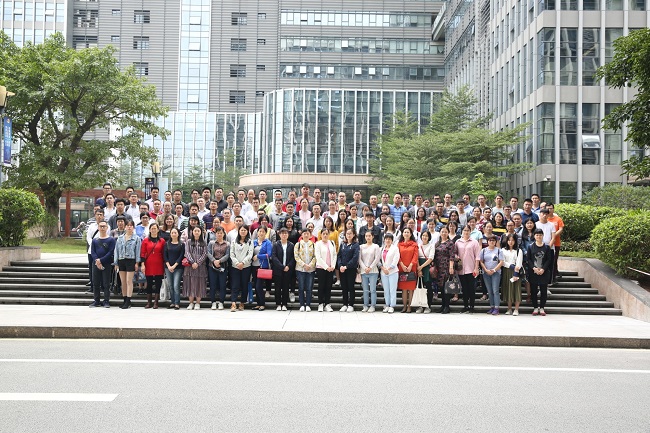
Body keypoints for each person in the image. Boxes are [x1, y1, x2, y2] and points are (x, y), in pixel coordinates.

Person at [113, 220, 141, 309]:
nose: (129, 227)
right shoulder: (120, 238)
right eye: (127, 225)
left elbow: (138, 251)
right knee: (123, 282)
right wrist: (116, 262)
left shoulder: (136, 238)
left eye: (131, 225)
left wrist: (137, 263)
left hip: (131, 260)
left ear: (133, 227)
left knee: (129, 281)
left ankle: (128, 300)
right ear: (125, 227)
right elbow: (116, 250)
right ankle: (124, 299)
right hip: (121, 260)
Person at [526, 228, 553, 316]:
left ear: (543, 236)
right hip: (533, 272)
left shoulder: (547, 247)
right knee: (533, 291)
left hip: (544, 272)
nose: (539, 236)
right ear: (534, 236)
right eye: (537, 235)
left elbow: (549, 260)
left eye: (540, 235)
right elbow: (528, 259)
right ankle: (535, 307)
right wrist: (534, 268)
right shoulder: (530, 247)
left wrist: (543, 269)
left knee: (543, 291)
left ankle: (542, 308)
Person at [89, 221, 116, 308]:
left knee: (106, 283)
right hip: (96, 264)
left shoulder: (111, 240)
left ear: (107, 228)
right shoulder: (95, 240)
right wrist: (97, 261)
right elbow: (93, 252)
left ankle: (106, 300)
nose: (102, 228)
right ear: (98, 228)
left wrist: (101, 260)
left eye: (104, 226)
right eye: (101, 226)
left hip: (107, 263)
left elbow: (110, 252)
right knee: (96, 282)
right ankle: (96, 300)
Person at [140, 223, 166, 309]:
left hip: (159, 264)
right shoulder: (145, 240)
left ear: (158, 230)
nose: (154, 230)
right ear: (150, 230)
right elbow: (143, 253)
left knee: (158, 283)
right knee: (149, 283)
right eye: (152, 228)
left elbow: (164, 253)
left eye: (155, 228)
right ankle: (149, 302)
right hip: (148, 263)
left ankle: (156, 302)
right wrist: (142, 264)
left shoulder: (162, 241)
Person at [229, 225, 254, 312]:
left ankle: (242, 303)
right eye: (241, 230)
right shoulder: (233, 242)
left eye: (245, 230)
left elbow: (250, 254)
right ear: (239, 231)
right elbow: (231, 254)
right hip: (235, 267)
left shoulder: (250, 242)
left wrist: (243, 263)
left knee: (244, 285)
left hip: (246, 267)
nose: (243, 232)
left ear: (247, 232)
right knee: (235, 285)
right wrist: (237, 263)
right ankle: (233, 303)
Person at [433, 226, 457, 314]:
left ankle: (447, 306)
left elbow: (452, 256)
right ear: (440, 233)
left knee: (446, 287)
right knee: (441, 287)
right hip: (438, 267)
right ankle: (443, 305)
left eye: (445, 232)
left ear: (448, 233)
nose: (444, 233)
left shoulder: (450, 243)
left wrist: (451, 267)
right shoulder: (437, 243)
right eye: (442, 232)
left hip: (446, 267)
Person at [183, 226, 208, 310]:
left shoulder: (204, 242)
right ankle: (191, 303)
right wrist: (192, 262)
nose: (196, 232)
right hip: (190, 267)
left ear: (201, 232)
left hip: (200, 267)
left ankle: (197, 303)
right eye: (195, 231)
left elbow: (205, 254)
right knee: (190, 284)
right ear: (192, 232)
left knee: (199, 284)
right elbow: (187, 252)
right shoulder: (188, 242)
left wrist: (198, 263)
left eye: (198, 231)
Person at [272, 228, 295, 311]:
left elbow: (293, 257)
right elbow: (274, 257)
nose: (284, 235)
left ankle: (284, 304)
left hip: (288, 270)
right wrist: (282, 266)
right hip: (278, 270)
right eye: (282, 233)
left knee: (286, 288)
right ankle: (278, 304)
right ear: (279, 235)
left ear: (288, 235)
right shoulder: (276, 244)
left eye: (286, 233)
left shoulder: (291, 245)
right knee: (277, 288)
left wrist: (288, 266)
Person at [480, 235, 504, 315]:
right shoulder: (483, 250)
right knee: (489, 291)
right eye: (490, 240)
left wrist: (494, 270)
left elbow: (501, 262)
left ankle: (497, 308)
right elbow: (481, 261)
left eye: (493, 240)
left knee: (495, 290)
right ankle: (492, 306)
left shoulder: (499, 251)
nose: (491, 242)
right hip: (486, 272)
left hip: (496, 273)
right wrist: (485, 270)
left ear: (496, 242)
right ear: (487, 242)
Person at [207, 226, 230, 311]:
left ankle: (221, 302)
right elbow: (208, 252)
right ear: (215, 234)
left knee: (222, 285)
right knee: (212, 285)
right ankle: (213, 302)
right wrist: (214, 261)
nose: (219, 234)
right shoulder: (211, 243)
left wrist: (219, 261)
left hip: (223, 266)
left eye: (221, 233)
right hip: (212, 266)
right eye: (218, 233)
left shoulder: (227, 244)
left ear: (224, 234)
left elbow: (227, 255)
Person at [337, 228, 360, 312]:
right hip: (342, 269)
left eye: (350, 233)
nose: (348, 235)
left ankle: (351, 304)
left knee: (351, 286)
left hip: (351, 269)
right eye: (347, 233)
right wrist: (340, 266)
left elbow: (355, 257)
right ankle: (345, 304)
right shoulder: (343, 244)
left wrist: (346, 266)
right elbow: (339, 256)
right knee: (344, 287)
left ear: (353, 235)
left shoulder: (356, 245)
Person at [315, 227, 337, 312]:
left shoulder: (331, 243)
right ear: (321, 235)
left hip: (331, 269)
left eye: (326, 234)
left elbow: (334, 255)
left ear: (329, 234)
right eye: (323, 234)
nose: (325, 235)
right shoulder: (318, 244)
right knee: (321, 286)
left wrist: (333, 266)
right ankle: (320, 303)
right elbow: (318, 257)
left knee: (328, 286)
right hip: (321, 268)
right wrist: (326, 267)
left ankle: (327, 304)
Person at [397, 227, 419, 313]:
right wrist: (402, 265)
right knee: (404, 289)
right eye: (405, 232)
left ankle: (410, 307)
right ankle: (404, 306)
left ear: (411, 234)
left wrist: (410, 265)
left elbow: (415, 256)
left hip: (411, 268)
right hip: (402, 268)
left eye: (408, 232)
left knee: (411, 289)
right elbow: (397, 256)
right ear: (402, 234)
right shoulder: (399, 245)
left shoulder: (414, 244)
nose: (406, 234)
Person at [294, 228, 316, 312]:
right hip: (300, 269)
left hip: (311, 269)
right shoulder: (298, 244)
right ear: (302, 235)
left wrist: (310, 265)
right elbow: (296, 256)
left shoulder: (313, 244)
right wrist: (303, 265)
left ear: (310, 235)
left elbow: (315, 256)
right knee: (301, 287)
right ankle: (302, 304)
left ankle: (308, 304)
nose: (306, 235)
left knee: (309, 288)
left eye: (307, 233)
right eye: (304, 233)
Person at [359, 230, 381, 312]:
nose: (368, 237)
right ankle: (365, 305)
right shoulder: (361, 246)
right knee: (365, 290)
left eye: (369, 236)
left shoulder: (376, 246)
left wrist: (370, 267)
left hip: (373, 271)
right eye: (366, 236)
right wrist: (364, 267)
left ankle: (373, 305)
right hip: (363, 271)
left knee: (373, 290)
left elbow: (377, 258)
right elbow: (359, 259)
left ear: (373, 236)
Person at [251, 225, 272, 310]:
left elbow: (268, 254)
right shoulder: (254, 242)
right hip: (254, 266)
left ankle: (262, 304)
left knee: (259, 286)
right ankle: (258, 304)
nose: (261, 233)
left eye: (263, 231)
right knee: (256, 286)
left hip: (262, 267)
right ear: (257, 232)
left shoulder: (268, 242)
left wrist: (258, 256)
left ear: (266, 233)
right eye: (260, 231)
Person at [502, 233, 523, 316]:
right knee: (508, 289)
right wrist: (510, 266)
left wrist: (516, 272)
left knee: (516, 289)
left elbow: (519, 262)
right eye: (509, 240)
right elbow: (502, 262)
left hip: (516, 271)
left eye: (512, 240)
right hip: (506, 271)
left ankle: (516, 309)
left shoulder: (518, 250)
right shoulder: (503, 250)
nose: (511, 242)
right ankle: (509, 308)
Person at [163, 227, 185, 310]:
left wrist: (174, 265)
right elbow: (165, 256)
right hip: (168, 267)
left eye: (175, 232)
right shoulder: (166, 244)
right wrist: (169, 266)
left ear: (178, 234)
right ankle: (172, 302)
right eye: (172, 233)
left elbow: (181, 256)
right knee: (170, 285)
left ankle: (177, 303)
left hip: (178, 267)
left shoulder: (182, 244)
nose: (174, 234)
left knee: (176, 285)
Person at [415, 230, 435, 313]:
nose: (424, 237)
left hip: (427, 267)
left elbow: (431, 258)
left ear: (429, 237)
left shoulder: (431, 246)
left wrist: (421, 267)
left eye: (426, 236)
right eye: (423, 235)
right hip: (419, 266)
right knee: (420, 286)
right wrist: (418, 268)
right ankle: (420, 306)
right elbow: (416, 257)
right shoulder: (418, 246)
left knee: (428, 287)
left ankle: (428, 306)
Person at [379, 233, 400, 313]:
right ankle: (387, 305)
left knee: (392, 289)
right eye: (386, 239)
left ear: (392, 240)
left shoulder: (395, 249)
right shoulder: (381, 249)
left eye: (389, 239)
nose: (387, 240)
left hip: (393, 272)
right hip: (383, 272)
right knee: (386, 290)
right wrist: (383, 268)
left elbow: (395, 260)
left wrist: (389, 269)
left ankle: (392, 305)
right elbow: (378, 260)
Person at [546, 203, 565, 285]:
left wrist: (553, 235)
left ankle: (553, 278)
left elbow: (561, 229)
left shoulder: (558, 219)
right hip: (545, 243)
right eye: (548, 208)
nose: (549, 210)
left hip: (556, 243)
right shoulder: (544, 218)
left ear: (553, 209)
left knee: (554, 261)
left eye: (551, 208)